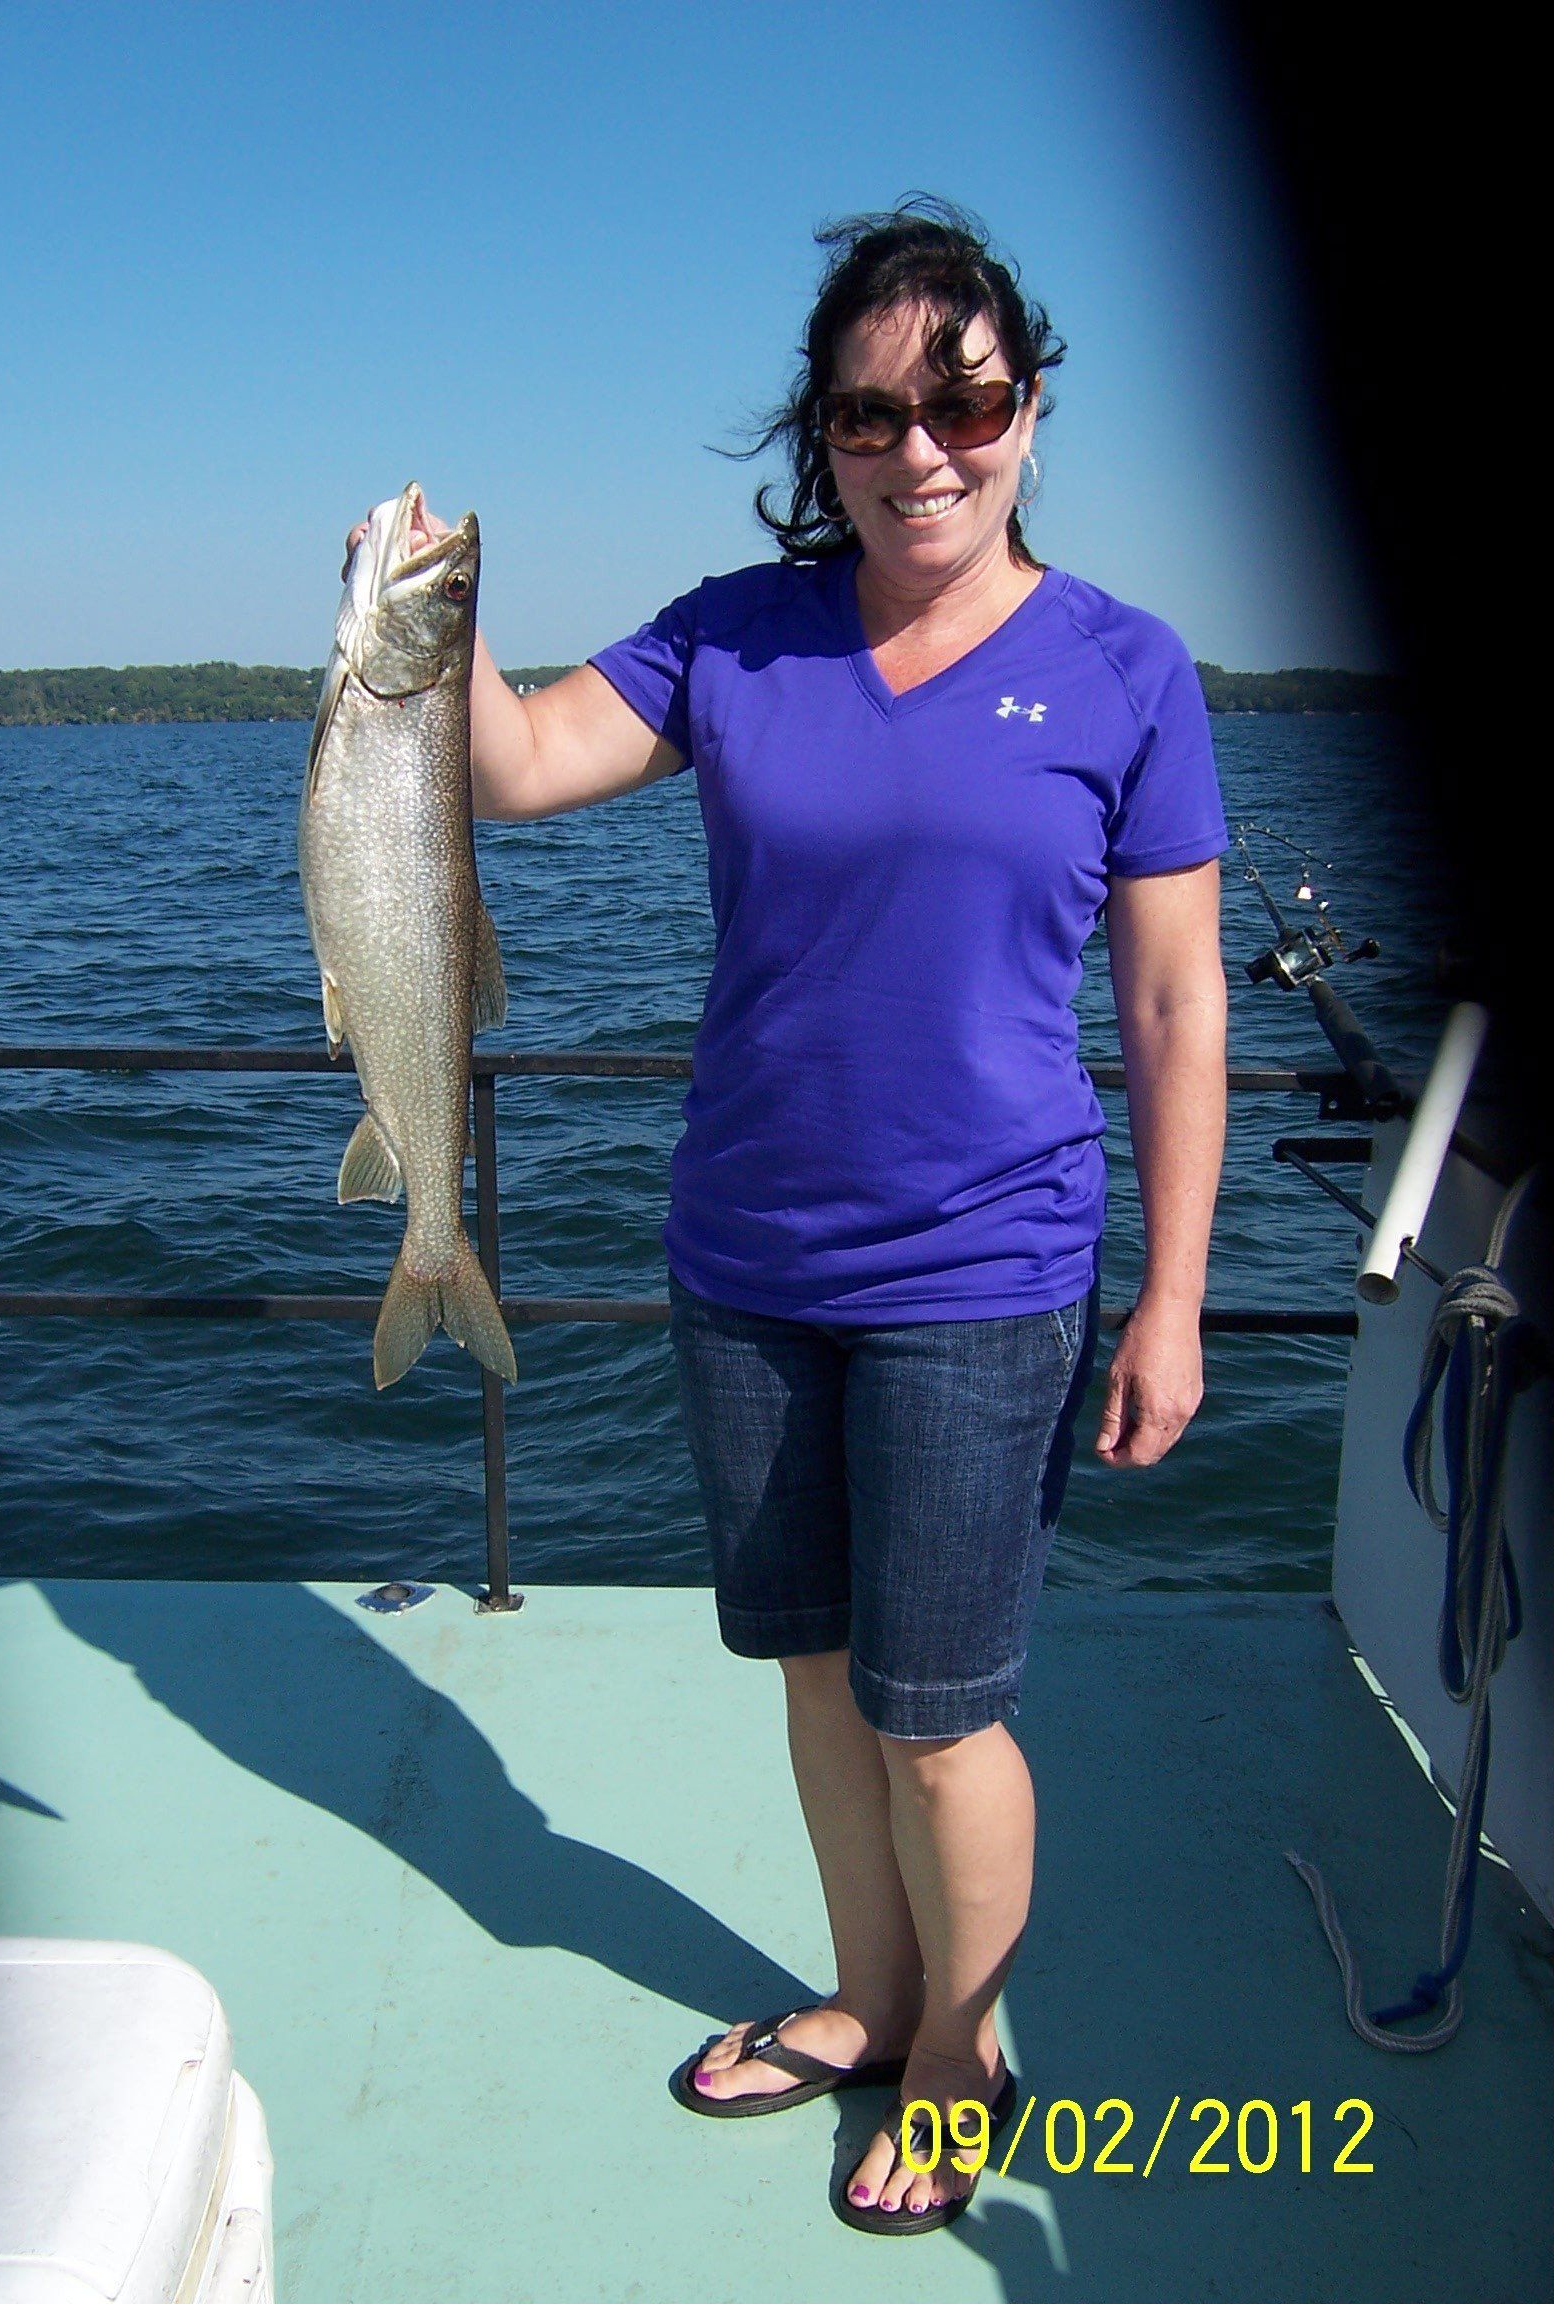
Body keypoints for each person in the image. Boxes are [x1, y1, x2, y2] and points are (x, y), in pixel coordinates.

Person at [344, 197, 1228, 2235]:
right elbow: (522, 763)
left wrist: (1176, 1296)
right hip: (745, 1258)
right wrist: (430, 617)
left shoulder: (1128, 669)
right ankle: (867, 1992)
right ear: (815, 435)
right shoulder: (735, 630)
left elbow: (1176, 1006)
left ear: (1026, 410)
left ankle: (962, 2048)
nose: (923, 449)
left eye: (968, 401)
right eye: (869, 413)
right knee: (822, 1678)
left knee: (943, 1718)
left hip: (984, 1274)